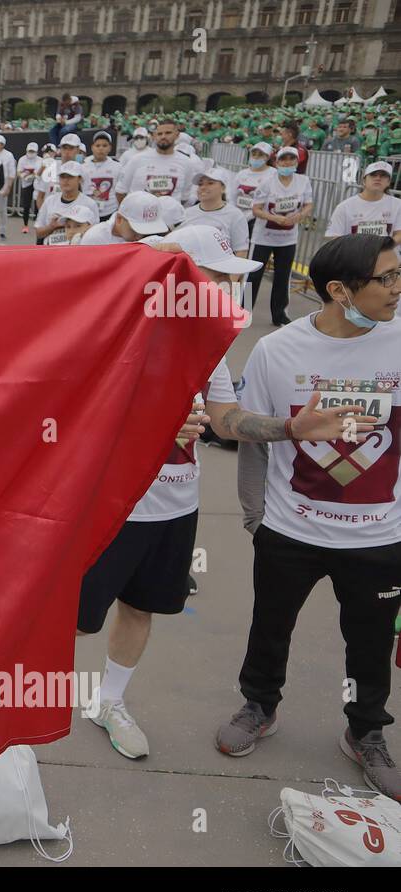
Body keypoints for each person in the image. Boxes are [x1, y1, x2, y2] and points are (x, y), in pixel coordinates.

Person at [82, 224, 357, 759]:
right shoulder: (113, 331)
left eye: (231, 279)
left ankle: (108, 701)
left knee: (140, 609)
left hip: (175, 505)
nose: (225, 289)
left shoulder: (208, 341)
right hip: (108, 506)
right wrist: (147, 425)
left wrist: (292, 428)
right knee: (67, 619)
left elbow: (226, 420)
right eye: (215, 276)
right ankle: (18, 722)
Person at [215, 234, 401, 800]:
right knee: (271, 626)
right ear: (340, 291)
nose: (397, 288)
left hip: (380, 536)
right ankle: (259, 705)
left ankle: (365, 728)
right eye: (386, 279)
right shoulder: (279, 350)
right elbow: (251, 435)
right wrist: (256, 518)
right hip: (291, 528)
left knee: (368, 642)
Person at [250, 146, 314, 326]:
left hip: (288, 239)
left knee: (283, 276)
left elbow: (309, 205)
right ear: (276, 162)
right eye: (283, 160)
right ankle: (241, 311)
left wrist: (300, 216)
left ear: (296, 162)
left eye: (291, 159)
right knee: (252, 276)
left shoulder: (303, 181)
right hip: (263, 237)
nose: (287, 163)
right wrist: (273, 217)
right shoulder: (267, 183)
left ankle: (280, 315)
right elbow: (256, 209)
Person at [116, 118, 197, 204]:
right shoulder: (137, 160)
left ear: (177, 135)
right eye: (159, 134)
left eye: (168, 133)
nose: (163, 137)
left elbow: (184, 198)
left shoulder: (186, 163)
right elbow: (120, 191)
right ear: (154, 136)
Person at [182, 167, 250, 258]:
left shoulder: (235, 215)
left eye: (210, 183)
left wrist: (233, 273)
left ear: (223, 188)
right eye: (200, 184)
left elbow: (241, 252)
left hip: (221, 271)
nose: (203, 187)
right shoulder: (187, 213)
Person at [325, 161, 401, 242]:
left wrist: (384, 249)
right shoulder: (344, 207)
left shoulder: (398, 205)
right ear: (364, 181)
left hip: (387, 252)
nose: (378, 178)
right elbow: (334, 236)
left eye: (383, 176)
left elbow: (399, 234)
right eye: (373, 175)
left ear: (388, 182)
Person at [35, 162, 99, 245]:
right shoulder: (49, 201)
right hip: (51, 253)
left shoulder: (90, 204)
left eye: (70, 177)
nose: (66, 180)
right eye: (62, 177)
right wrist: (51, 227)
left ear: (79, 179)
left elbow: (96, 234)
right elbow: (38, 233)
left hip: (77, 253)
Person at [78, 191, 167, 246]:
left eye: (149, 230)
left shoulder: (154, 239)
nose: (140, 236)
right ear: (119, 219)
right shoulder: (95, 238)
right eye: (135, 231)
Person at [234, 142, 275, 240]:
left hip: (259, 222)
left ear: (267, 157)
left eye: (260, 154)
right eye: (254, 154)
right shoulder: (242, 174)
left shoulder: (273, 174)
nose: (256, 157)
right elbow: (231, 197)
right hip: (238, 220)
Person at [82, 131, 121, 223]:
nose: (101, 148)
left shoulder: (117, 167)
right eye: (98, 145)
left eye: (104, 145)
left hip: (111, 211)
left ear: (110, 148)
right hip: (88, 212)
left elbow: (120, 191)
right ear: (92, 147)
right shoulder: (83, 167)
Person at [15, 142, 42, 235]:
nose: (31, 153)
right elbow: (18, 171)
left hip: (38, 184)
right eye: (30, 151)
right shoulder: (22, 159)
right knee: (26, 205)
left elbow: (40, 171)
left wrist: (34, 175)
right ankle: (25, 225)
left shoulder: (40, 160)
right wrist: (23, 176)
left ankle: (38, 223)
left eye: (33, 151)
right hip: (26, 184)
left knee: (38, 204)